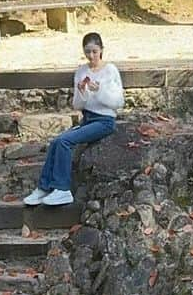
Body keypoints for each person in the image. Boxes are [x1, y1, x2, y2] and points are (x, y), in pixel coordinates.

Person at [24, 32, 124, 207]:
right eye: (87, 52)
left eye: (94, 51)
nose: (91, 56)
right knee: (56, 142)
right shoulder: (81, 71)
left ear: (101, 50)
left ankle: (62, 189)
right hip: (87, 118)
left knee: (65, 141)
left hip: (104, 120)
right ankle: (44, 187)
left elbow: (118, 102)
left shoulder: (110, 70)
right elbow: (78, 105)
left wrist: (99, 90)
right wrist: (83, 91)